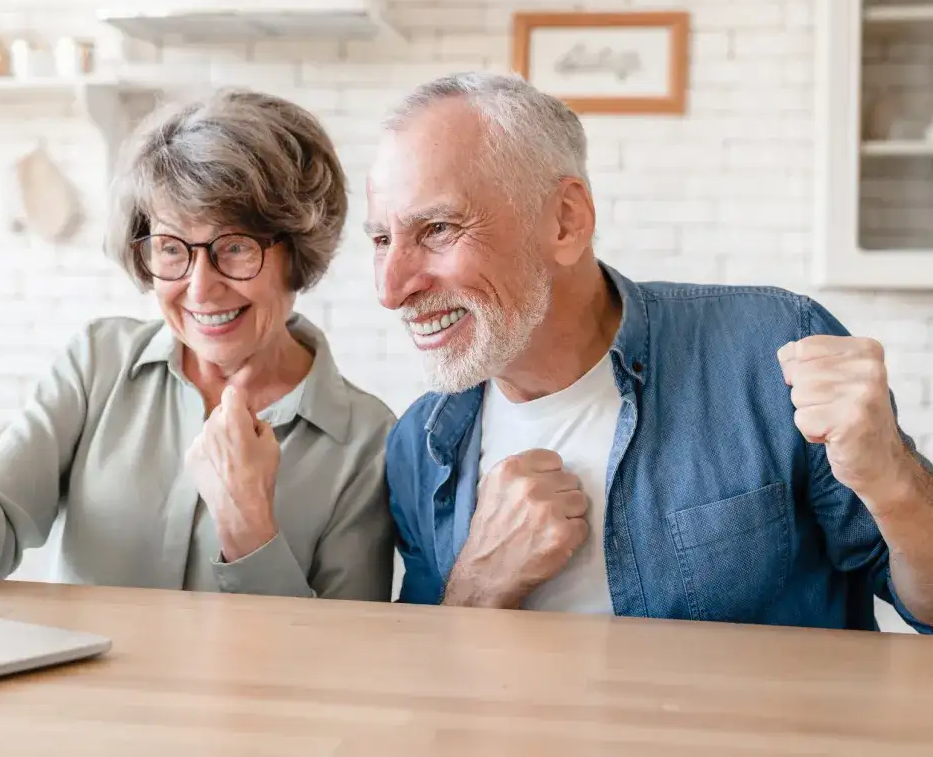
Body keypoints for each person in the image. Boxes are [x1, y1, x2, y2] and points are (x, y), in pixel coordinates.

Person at [367, 70, 933, 631]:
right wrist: (477, 588)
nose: (391, 290)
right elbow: (436, 686)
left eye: (437, 229)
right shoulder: (419, 444)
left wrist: (894, 482)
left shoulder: (774, 351)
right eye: (382, 239)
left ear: (566, 221)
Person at [0, 88, 396, 601]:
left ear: (299, 251)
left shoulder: (367, 440)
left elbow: (348, 657)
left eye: (236, 246)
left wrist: (248, 522)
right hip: (85, 721)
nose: (200, 287)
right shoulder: (98, 364)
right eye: (172, 247)